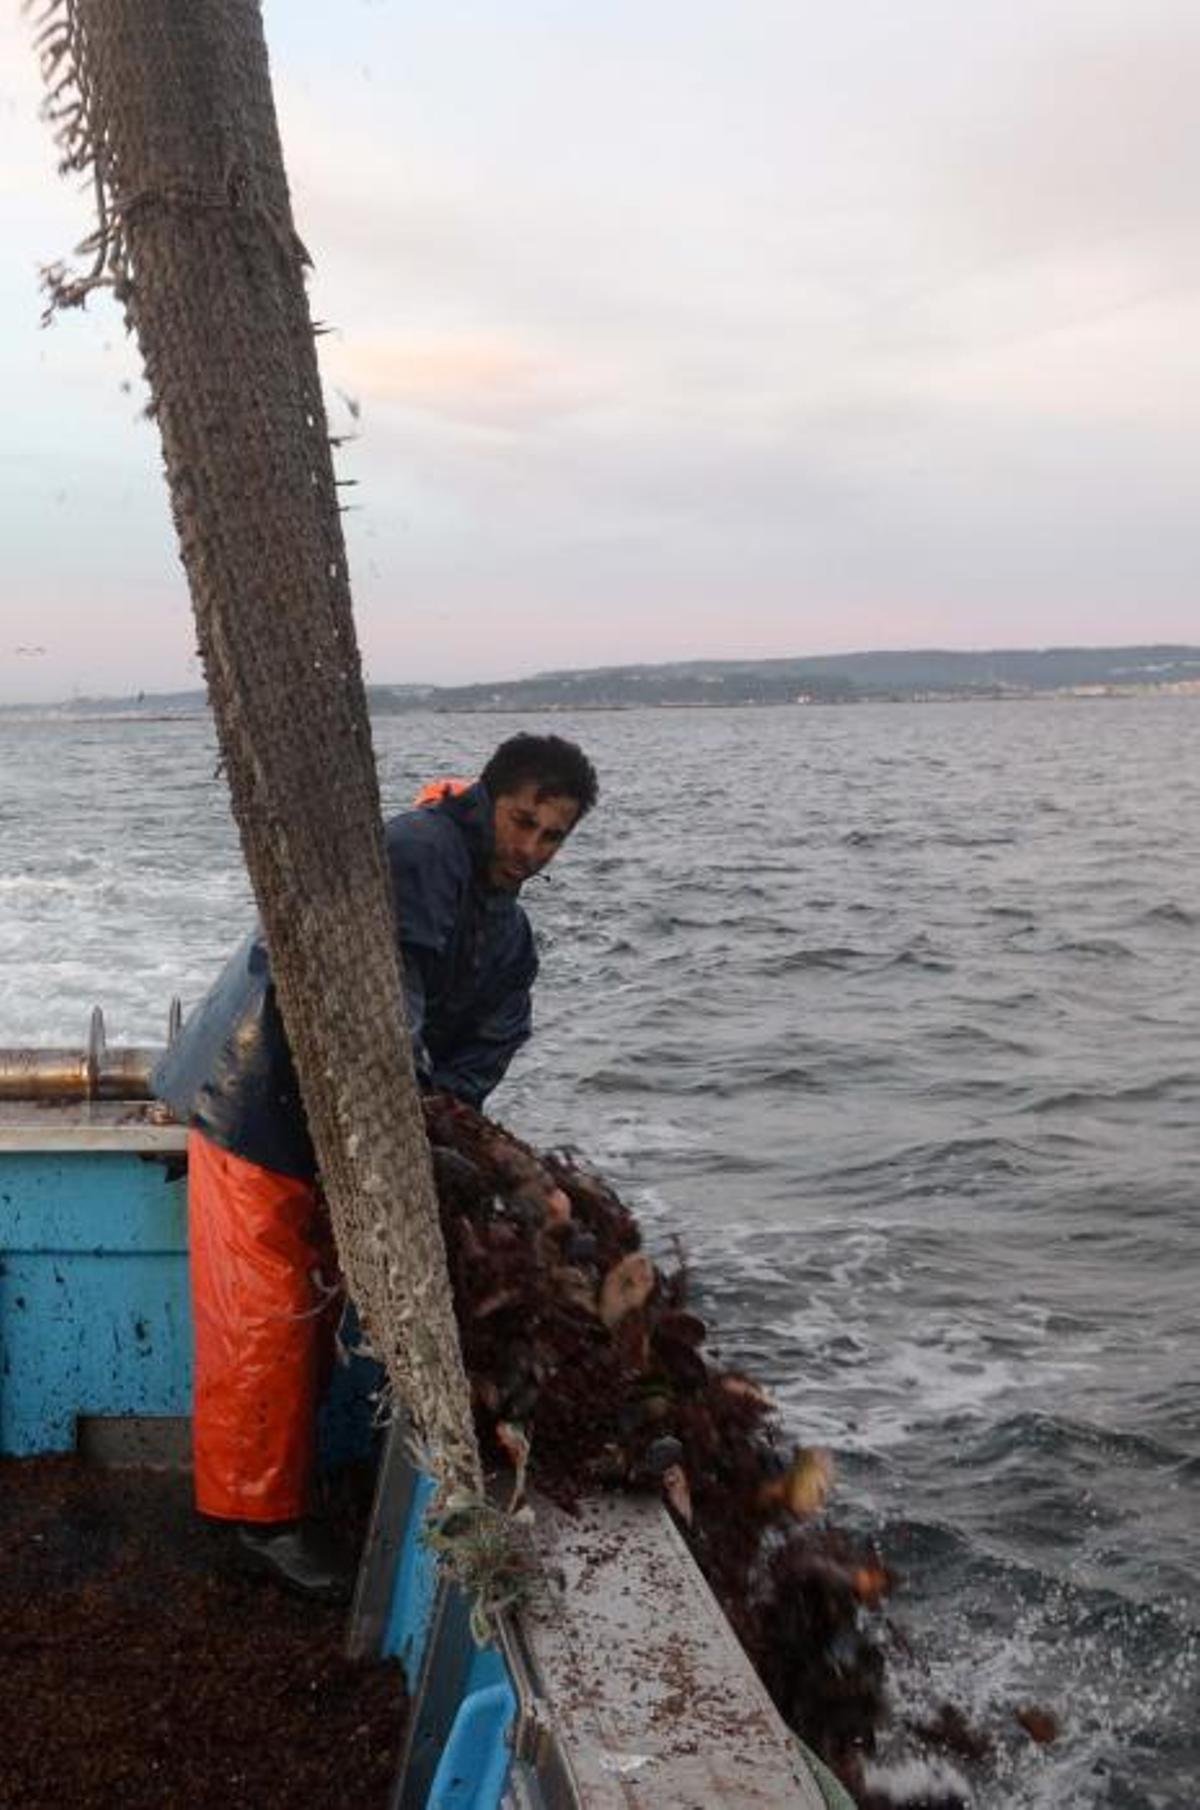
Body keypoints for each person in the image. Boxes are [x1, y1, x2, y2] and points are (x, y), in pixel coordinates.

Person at [154, 732, 598, 1598]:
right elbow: (379, 992)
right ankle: (252, 1523)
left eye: (553, 837)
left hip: (351, 1134)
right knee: (267, 1317)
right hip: (258, 1100)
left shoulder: (508, 932)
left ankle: (287, 1490)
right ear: (489, 797)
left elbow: (491, 1039)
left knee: (307, 1316)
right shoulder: (423, 852)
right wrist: (414, 1111)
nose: (531, 850)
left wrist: (443, 1122)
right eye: (521, 822)